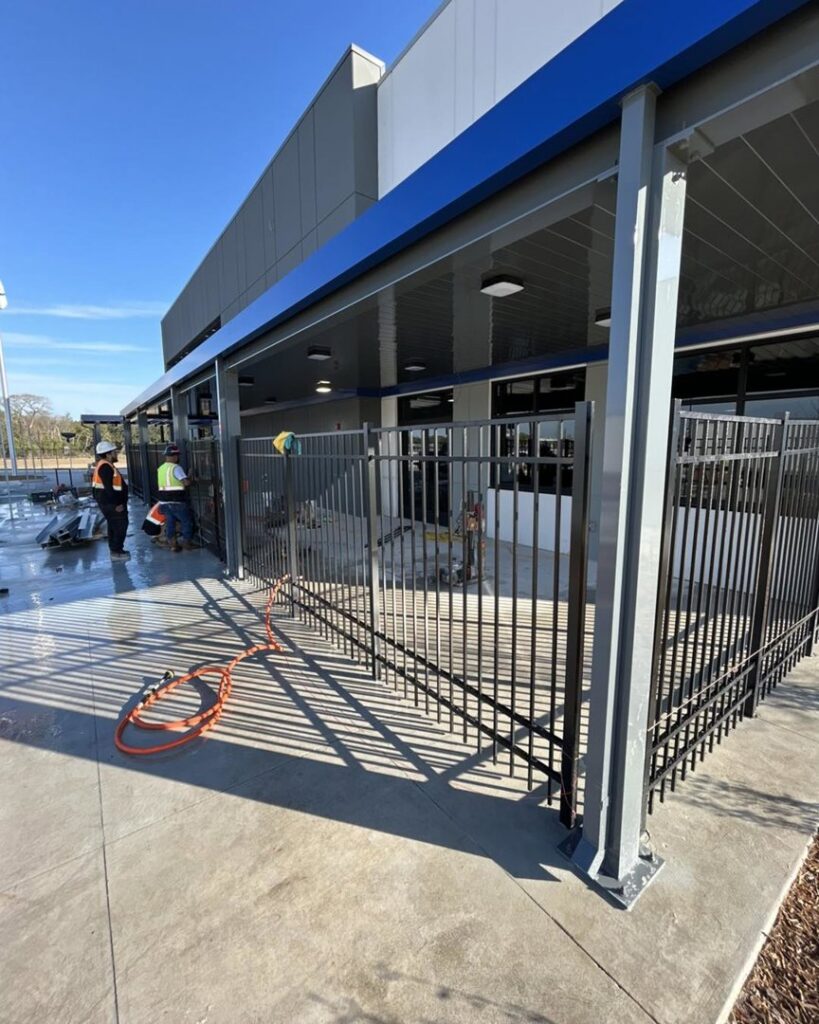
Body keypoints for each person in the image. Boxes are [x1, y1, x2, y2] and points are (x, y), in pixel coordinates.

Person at [91, 440, 130, 561]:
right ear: (108, 454)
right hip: (111, 504)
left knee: (114, 526)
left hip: (108, 503)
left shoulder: (105, 465)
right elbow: (109, 488)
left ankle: (116, 549)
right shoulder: (105, 467)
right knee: (120, 526)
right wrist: (117, 504)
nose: (116, 454)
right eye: (114, 452)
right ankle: (116, 551)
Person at [157, 443, 194, 551]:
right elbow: (186, 483)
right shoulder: (176, 468)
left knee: (170, 523)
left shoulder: (161, 468)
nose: (178, 458)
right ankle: (187, 543)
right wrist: (191, 477)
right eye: (177, 455)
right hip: (177, 501)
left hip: (164, 502)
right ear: (174, 456)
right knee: (186, 522)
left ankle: (173, 545)